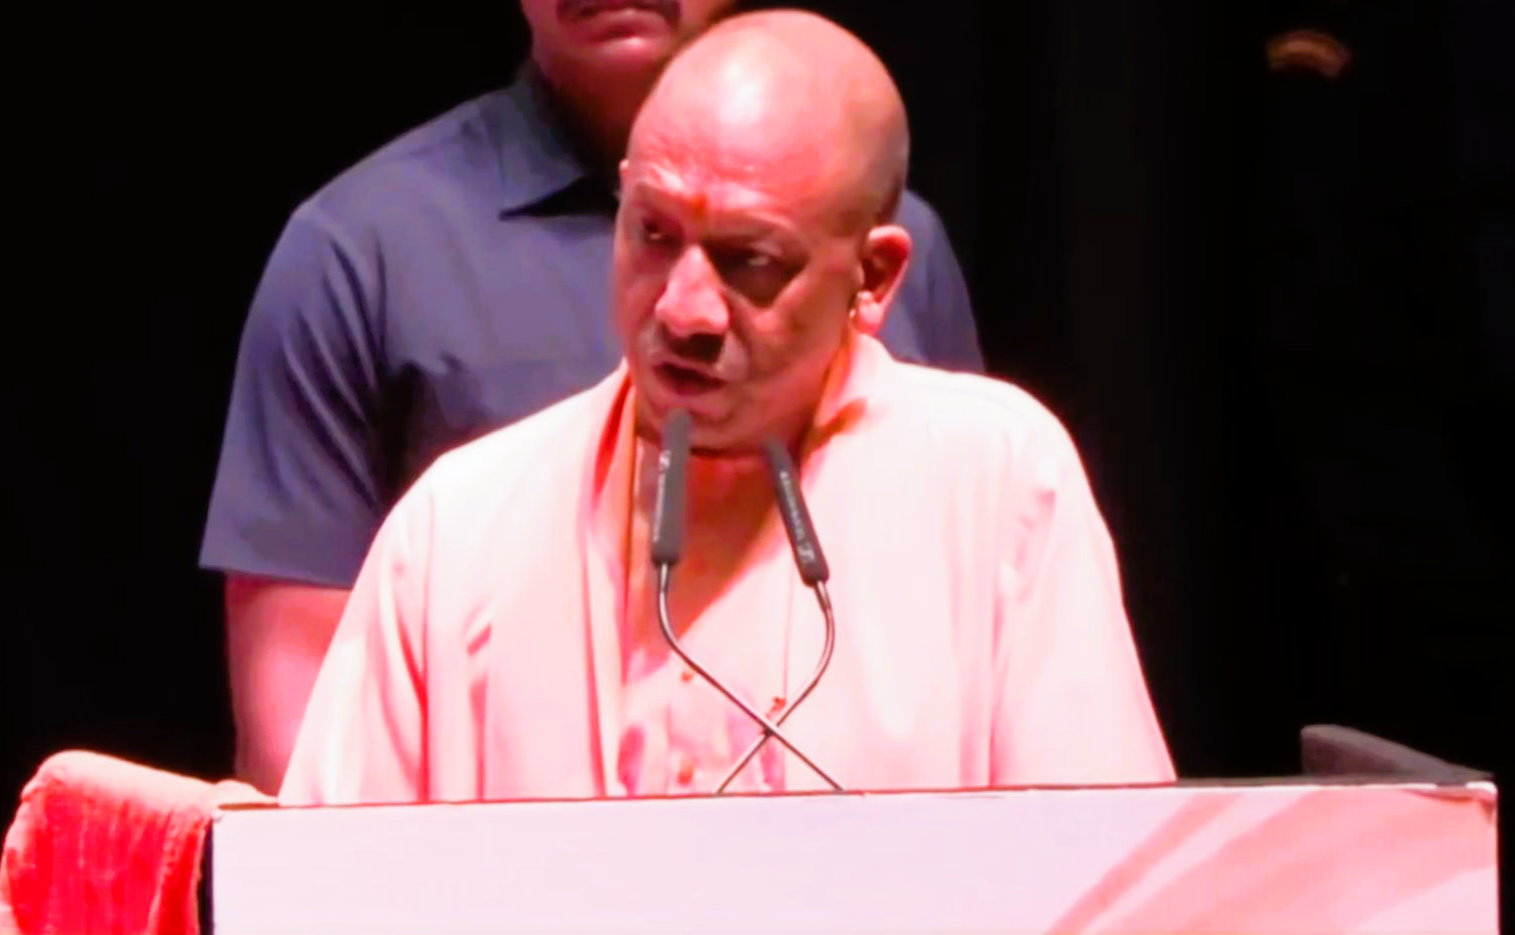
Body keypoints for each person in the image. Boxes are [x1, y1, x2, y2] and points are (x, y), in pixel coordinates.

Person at [277, 9, 1174, 806]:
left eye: (750, 260)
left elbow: (1113, 882)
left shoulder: (998, 484)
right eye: (652, 234)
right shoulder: (456, 527)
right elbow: (326, 889)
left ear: (872, 277)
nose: (683, 311)